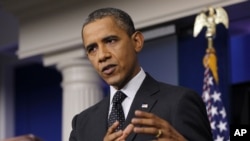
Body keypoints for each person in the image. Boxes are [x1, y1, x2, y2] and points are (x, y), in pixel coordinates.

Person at [69, 7, 213, 141]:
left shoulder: (179, 102)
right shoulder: (82, 124)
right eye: (92, 49)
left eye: (110, 41)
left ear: (137, 41)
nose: (102, 56)